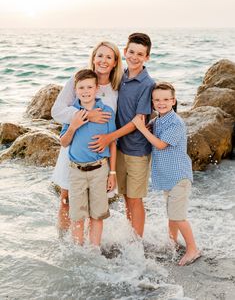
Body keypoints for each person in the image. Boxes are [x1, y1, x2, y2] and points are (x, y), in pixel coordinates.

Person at [51, 41, 123, 234]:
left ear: (115, 62)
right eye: (99, 55)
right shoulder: (78, 80)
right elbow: (57, 111)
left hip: (99, 157)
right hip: (73, 150)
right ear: (93, 58)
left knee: (95, 209)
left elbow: (118, 123)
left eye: (109, 57)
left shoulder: (117, 88)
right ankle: (64, 244)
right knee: (66, 201)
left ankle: (91, 249)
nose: (103, 60)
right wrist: (86, 116)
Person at [89, 33, 155, 237]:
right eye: (132, 52)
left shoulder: (147, 84)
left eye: (140, 54)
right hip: (119, 148)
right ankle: (131, 237)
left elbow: (138, 121)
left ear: (147, 57)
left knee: (135, 199)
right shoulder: (121, 77)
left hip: (137, 150)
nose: (135, 57)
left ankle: (137, 243)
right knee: (125, 196)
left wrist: (110, 137)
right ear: (125, 52)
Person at [132, 82, 201, 266]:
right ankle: (172, 241)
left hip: (179, 177)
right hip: (168, 177)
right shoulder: (158, 119)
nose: (161, 103)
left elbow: (160, 144)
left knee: (178, 216)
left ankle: (193, 249)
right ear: (152, 102)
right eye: (157, 100)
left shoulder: (176, 123)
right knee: (172, 213)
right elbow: (150, 129)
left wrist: (140, 128)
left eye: (165, 99)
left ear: (173, 100)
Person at [60, 69, 117, 246]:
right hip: (76, 171)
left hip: (100, 170)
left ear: (97, 88)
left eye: (89, 87)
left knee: (97, 215)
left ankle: (94, 251)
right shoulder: (71, 113)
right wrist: (73, 125)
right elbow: (63, 142)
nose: (85, 91)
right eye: (81, 87)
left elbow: (113, 143)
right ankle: (79, 251)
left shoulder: (106, 112)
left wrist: (112, 172)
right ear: (75, 90)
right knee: (77, 216)